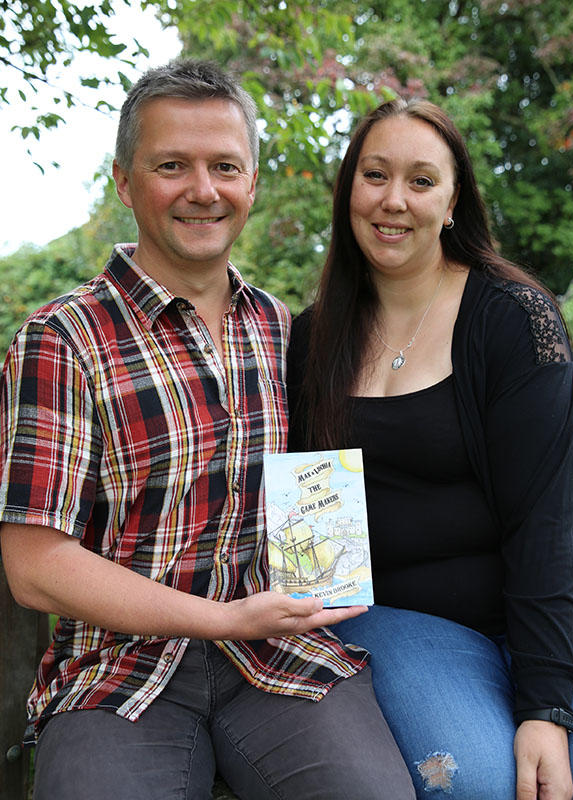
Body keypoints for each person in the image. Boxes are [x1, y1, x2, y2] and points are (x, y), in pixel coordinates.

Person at [0, 61, 416, 800]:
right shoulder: (62, 340)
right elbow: (35, 564)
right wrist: (221, 617)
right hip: (119, 671)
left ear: (251, 182)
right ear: (125, 182)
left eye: (225, 166)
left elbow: (316, 490)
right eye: (172, 166)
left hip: (278, 654)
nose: (203, 189)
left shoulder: (283, 329)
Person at [287, 97, 573, 799]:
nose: (394, 200)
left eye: (422, 180)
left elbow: (545, 522)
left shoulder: (515, 318)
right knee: (480, 784)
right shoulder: (314, 339)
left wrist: (546, 706)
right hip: (407, 622)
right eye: (375, 175)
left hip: (555, 608)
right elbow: (312, 524)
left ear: (454, 200)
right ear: (348, 191)